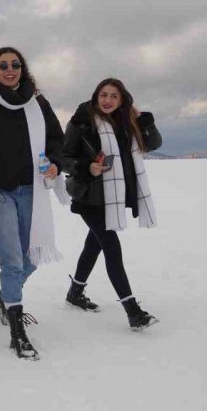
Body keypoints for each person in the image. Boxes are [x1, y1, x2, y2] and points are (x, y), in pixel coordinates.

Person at [0, 47, 65, 360]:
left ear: (23, 68)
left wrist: (55, 165)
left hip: (32, 189)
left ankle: (5, 295)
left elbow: (56, 140)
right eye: (3, 65)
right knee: (11, 261)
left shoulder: (38, 103)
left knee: (31, 258)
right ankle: (16, 330)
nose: (10, 70)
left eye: (15, 64)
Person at [61, 78, 162, 330]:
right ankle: (133, 311)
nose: (107, 100)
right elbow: (64, 157)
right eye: (103, 95)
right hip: (89, 196)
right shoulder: (81, 121)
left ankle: (75, 293)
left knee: (94, 244)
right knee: (111, 247)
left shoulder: (126, 123)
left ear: (122, 100)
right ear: (96, 96)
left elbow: (153, 143)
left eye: (114, 96)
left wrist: (141, 118)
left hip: (114, 196)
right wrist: (87, 167)